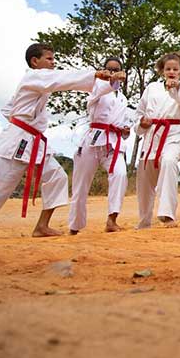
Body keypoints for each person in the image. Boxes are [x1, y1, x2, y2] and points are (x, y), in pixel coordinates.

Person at [0, 43, 118, 241]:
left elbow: (8, 109)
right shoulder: (33, 76)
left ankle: (42, 226)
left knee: (57, 177)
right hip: (16, 143)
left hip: (34, 142)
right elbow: (61, 79)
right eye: (49, 59)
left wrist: (110, 82)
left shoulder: (38, 83)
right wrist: (95, 74)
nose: (53, 62)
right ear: (35, 61)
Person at [68, 57, 130, 234]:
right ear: (104, 71)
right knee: (81, 184)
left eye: (117, 69)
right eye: (109, 69)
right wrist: (110, 80)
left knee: (120, 174)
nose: (113, 72)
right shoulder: (96, 88)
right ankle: (75, 225)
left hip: (114, 143)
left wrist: (125, 130)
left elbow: (123, 122)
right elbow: (106, 86)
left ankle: (112, 220)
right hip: (93, 141)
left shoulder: (123, 99)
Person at [135, 52, 180, 228]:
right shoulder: (151, 88)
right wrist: (142, 124)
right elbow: (140, 112)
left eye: (175, 69)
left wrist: (175, 87)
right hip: (152, 134)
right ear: (162, 70)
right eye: (168, 68)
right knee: (145, 178)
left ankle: (167, 214)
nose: (171, 71)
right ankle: (144, 220)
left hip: (174, 134)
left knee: (168, 162)